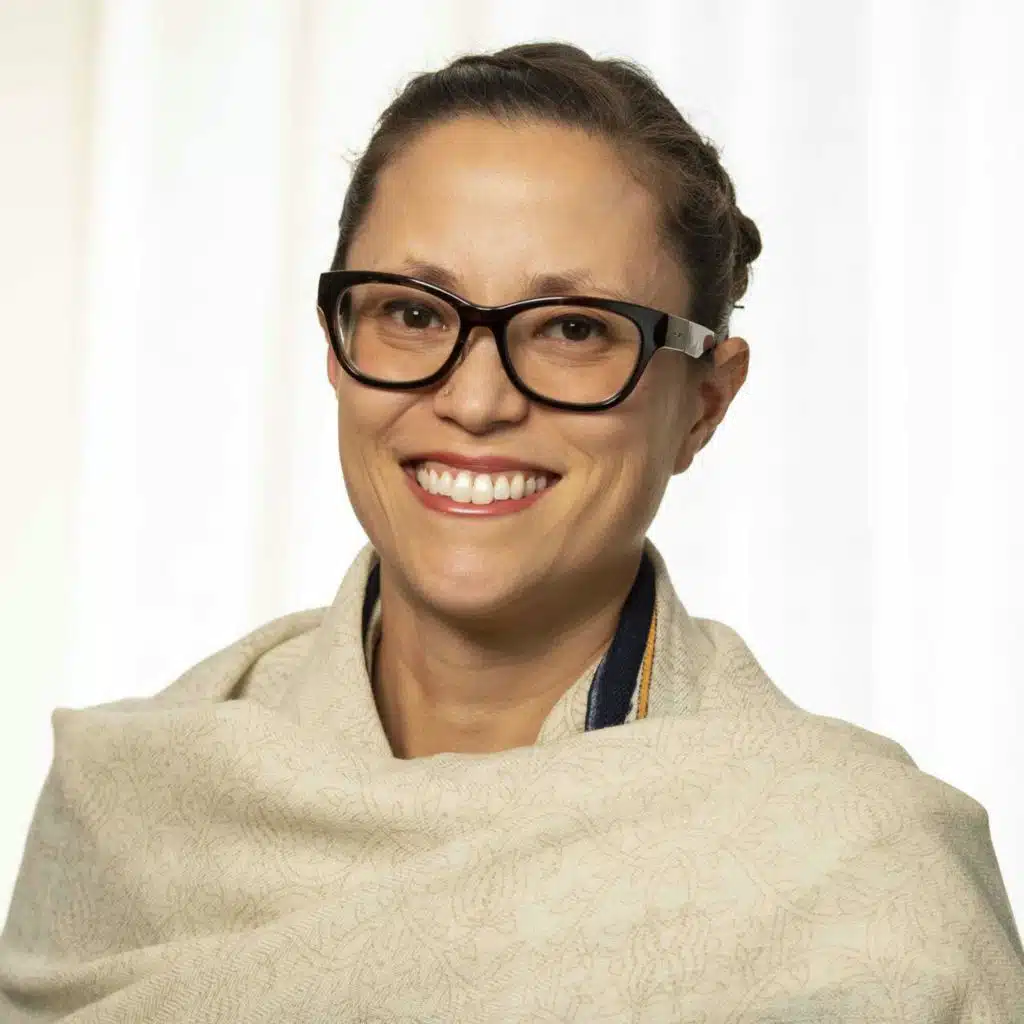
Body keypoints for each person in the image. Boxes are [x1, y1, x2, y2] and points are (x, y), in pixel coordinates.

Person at [2, 41, 1022, 1023]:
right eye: (413, 314)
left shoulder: (862, 877)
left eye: (574, 329)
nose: (476, 399)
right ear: (337, 347)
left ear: (705, 403)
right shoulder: (130, 804)